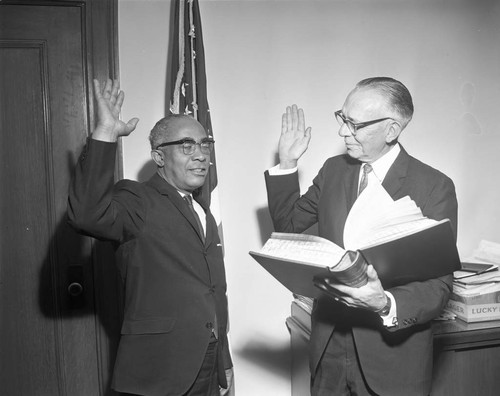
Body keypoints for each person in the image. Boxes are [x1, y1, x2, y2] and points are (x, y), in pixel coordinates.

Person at [265, 77, 457, 396]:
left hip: (393, 361)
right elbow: (287, 228)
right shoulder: (333, 171)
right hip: (328, 352)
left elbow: (439, 286)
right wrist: (288, 163)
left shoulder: (434, 187)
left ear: (391, 130)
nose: (342, 132)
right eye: (343, 118)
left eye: (354, 124)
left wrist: (384, 303)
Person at [68, 79, 233, 396]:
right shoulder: (137, 199)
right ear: (159, 157)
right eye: (186, 145)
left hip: (207, 362)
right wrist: (104, 133)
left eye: (204, 144)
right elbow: (86, 214)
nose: (200, 155)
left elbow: (213, 291)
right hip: (159, 370)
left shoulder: (203, 212)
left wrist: (221, 359)